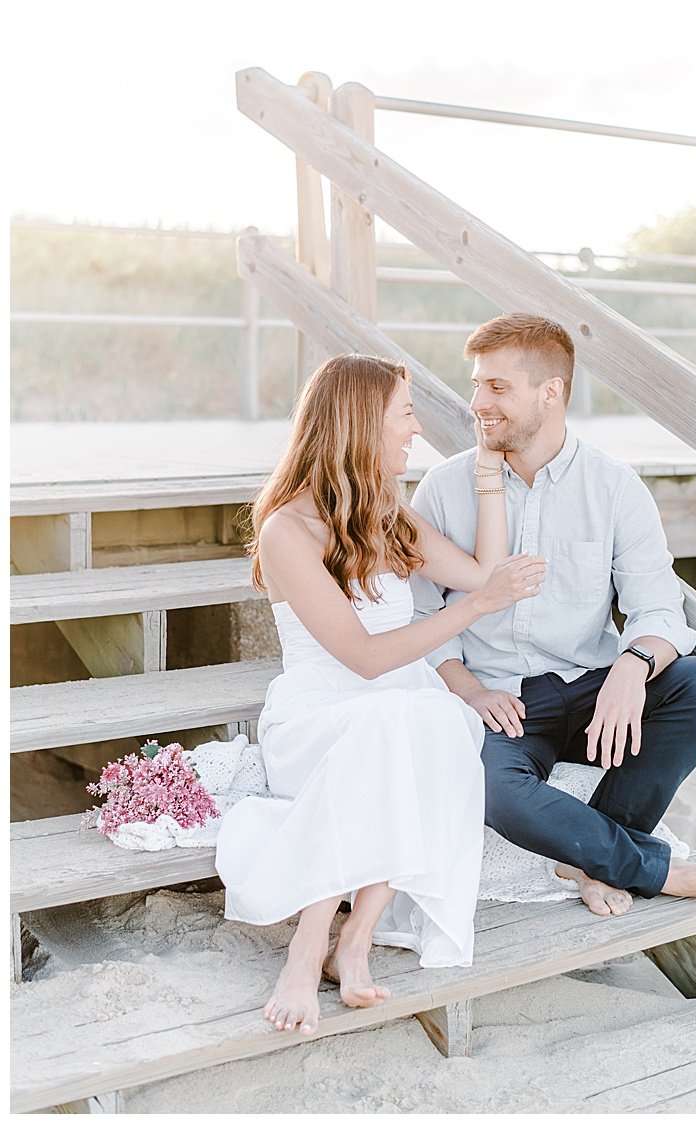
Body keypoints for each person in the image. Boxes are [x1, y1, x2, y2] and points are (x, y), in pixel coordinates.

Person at [215, 353, 547, 1038]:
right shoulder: (287, 531)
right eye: (404, 414)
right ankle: (312, 944)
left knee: (428, 719)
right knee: (397, 722)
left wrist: (488, 471)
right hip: (321, 711)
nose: (415, 430)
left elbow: (480, 571)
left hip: (398, 703)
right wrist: (476, 606)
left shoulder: (387, 512)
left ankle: (355, 937)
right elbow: (363, 659)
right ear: (360, 424)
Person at [410, 313, 696, 917]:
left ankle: (589, 855)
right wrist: (467, 689)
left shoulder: (614, 487)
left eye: (497, 387)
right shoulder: (441, 488)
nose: (478, 403)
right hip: (502, 701)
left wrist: (632, 667)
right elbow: (419, 611)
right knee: (494, 790)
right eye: (477, 384)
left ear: (552, 392)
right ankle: (654, 869)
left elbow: (659, 608)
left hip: (594, 689)